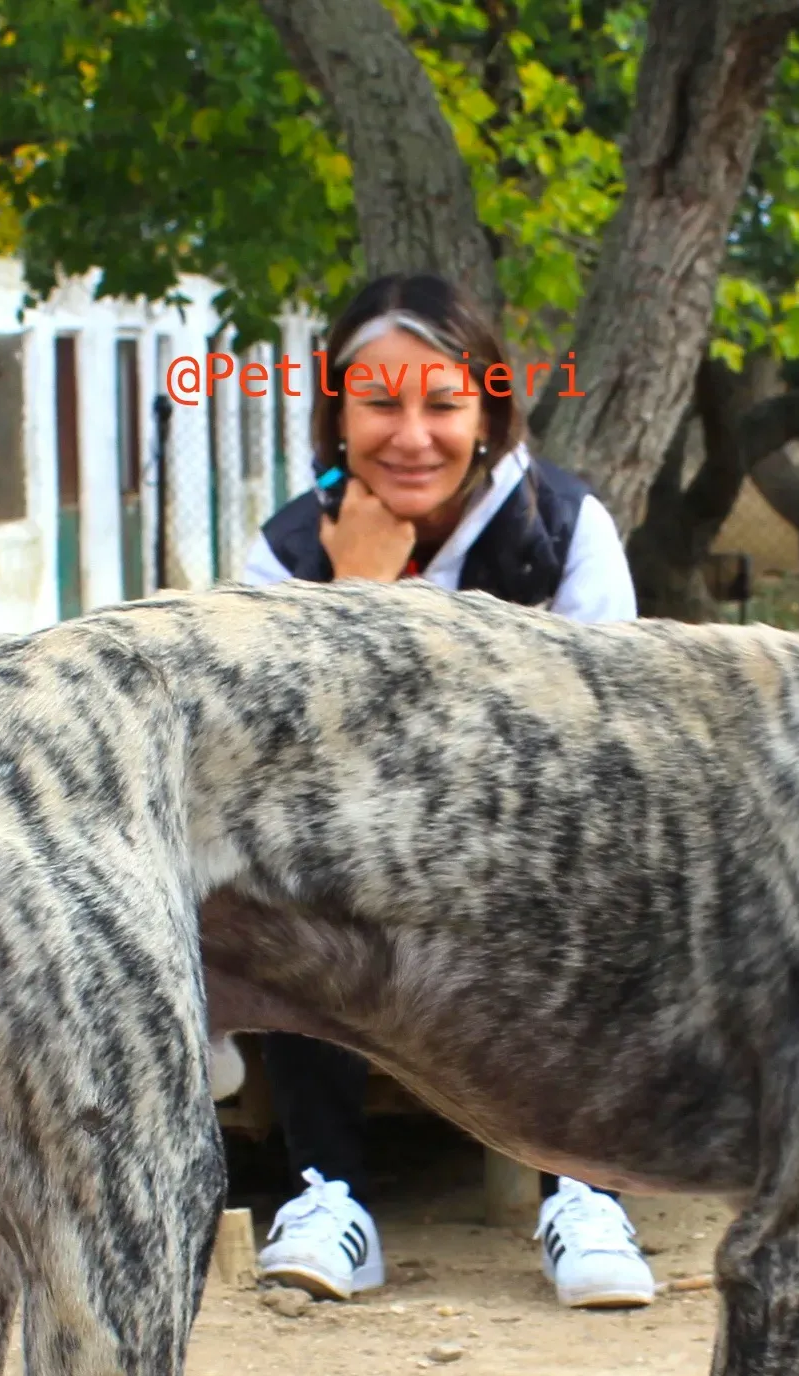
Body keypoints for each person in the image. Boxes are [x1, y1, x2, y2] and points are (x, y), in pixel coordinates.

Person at [240, 272, 656, 1312]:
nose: (411, 434)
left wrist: (387, 625)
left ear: (488, 412)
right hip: (360, 864)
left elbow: (590, 747)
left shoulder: (565, 532)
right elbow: (277, 755)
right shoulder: (287, 552)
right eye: (380, 403)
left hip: (529, 859)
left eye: (443, 402)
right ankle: (327, 1192)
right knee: (284, 861)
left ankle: (587, 1190)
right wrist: (357, 593)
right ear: (336, 411)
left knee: (610, 861)